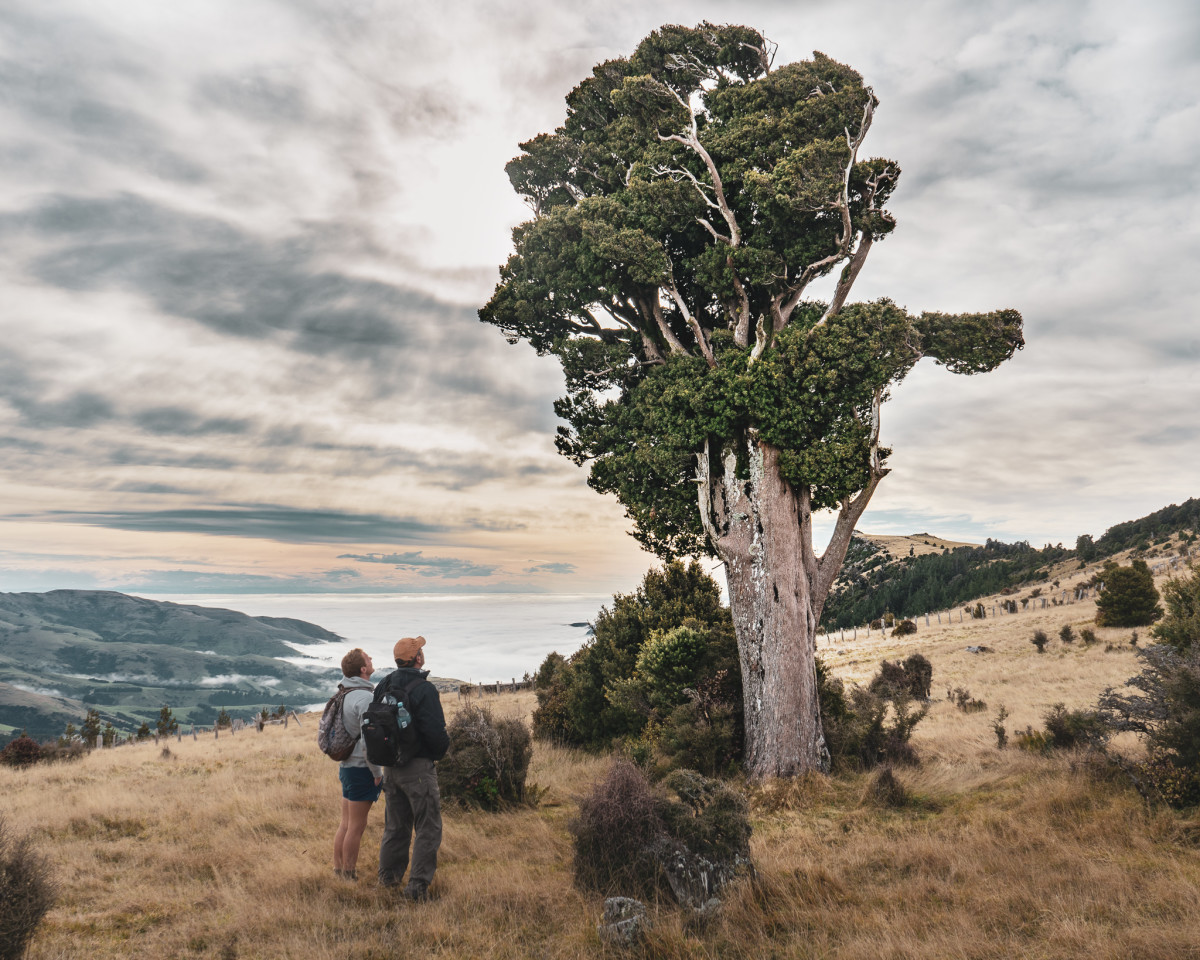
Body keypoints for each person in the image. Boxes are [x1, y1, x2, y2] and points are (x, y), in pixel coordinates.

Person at [375, 635, 449, 900]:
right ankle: (417, 888)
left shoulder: (384, 684)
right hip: (417, 768)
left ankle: (388, 880)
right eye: (421, 652)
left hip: (390, 768)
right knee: (428, 827)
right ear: (417, 658)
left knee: (395, 826)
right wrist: (437, 754)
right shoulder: (423, 688)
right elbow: (435, 732)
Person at [332, 648, 382, 881]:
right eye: (368, 658)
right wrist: (377, 772)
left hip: (346, 767)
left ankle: (338, 869)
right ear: (362, 669)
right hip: (362, 768)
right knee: (357, 826)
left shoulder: (344, 693)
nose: (371, 660)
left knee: (346, 823)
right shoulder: (364, 698)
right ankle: (349, 874)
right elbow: (368, 741)